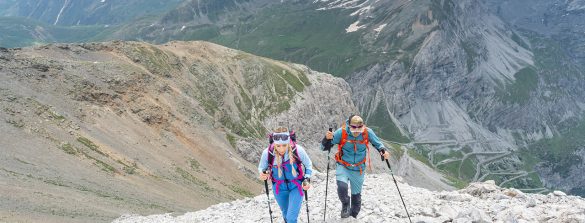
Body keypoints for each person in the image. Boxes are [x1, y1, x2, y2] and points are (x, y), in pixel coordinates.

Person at [321, 115, 390, 218]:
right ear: (349, 126)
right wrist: (327, 138)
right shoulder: (342, 132)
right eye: (354, 127)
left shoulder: (367, 132)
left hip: (359, 169)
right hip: (343, 165)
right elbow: (324, 147)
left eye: (360, 127)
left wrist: (383, 151)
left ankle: (353, 217)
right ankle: (345, 204)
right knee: (342, 187)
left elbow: (378, 144)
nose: (357, 130)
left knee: (356, 199)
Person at [258, 127, 313, 223]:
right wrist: (262, 174)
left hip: (296, 187)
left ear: (288, 142)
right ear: (274, 143)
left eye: (284, 145)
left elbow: (308, 165)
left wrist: (307, 179)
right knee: (286, 215)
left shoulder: (298, 150)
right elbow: (261, 168)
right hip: (279, 189)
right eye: (278, 146)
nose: (281, 149)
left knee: (291, 218)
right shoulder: (267, 153)